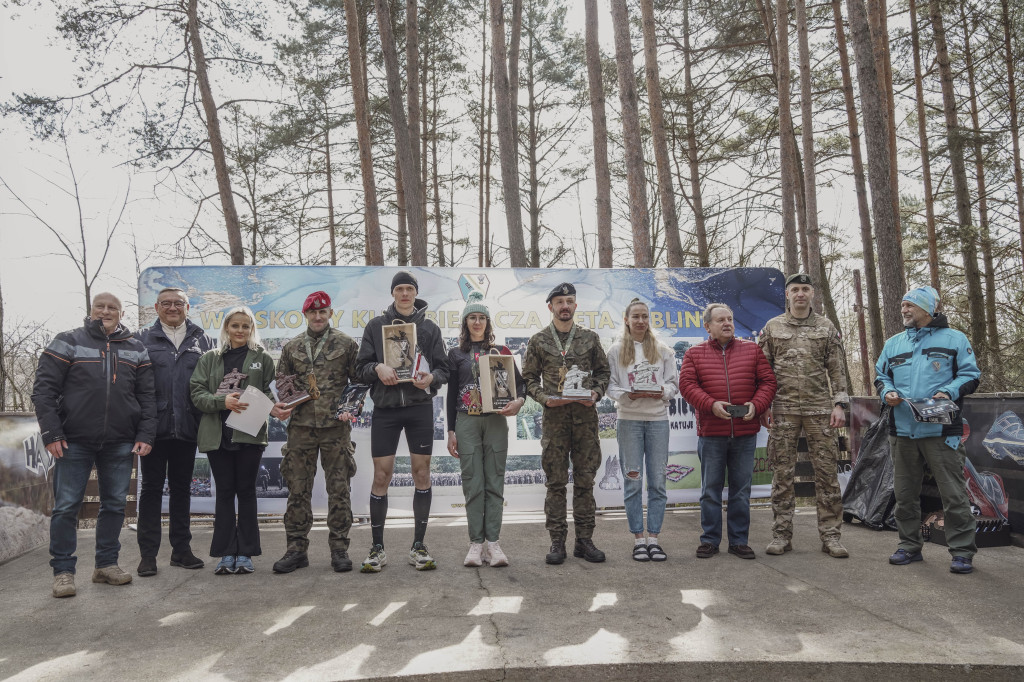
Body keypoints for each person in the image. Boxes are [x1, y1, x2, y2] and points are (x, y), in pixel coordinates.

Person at [32, 292, 157, 598]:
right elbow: (43, 390)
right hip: (72, 440)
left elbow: (147, 397)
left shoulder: (136, 348)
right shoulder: (68, 341)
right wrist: (51, 432)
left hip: (120, 440)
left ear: (121, 312)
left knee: (115, 505)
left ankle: (106, 564)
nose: (105, 311)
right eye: (100, 306)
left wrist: (145, 434)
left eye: (112, 307)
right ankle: (63, 572)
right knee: (66, 507)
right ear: (90, 311)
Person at [875, 286, 981, 574]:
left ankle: (961, 552)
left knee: (954, 494)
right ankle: (909, 546)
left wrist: (948, 391)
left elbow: (971, 375)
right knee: (905, 494)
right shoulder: (894, 343)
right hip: (903, 431)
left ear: (928, 309)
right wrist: (888, 394)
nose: (904, 310)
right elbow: (881, 376)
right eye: (902, 305)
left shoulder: (954, 339)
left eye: (910, 305)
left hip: (942, 431)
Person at [354, 272, 449, 572]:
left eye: (409, 288)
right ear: (393, 293)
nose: (405, 293)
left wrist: (432, 378)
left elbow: (444, 369)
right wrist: (378, 367)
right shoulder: (375, 326)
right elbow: (360, 368)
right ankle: (377, 548)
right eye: (399, 289)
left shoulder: (430, 328)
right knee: (381, 476)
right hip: (386, 408)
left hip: (419, 408)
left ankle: (418, 546)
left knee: (422, 474)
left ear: (415, 293)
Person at [758, 273, 851, 559]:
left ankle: (831, 537)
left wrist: (839, 404)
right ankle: (781, 535)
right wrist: (764, 404)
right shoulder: (772, 328)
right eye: (795, 289)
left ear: (812, 294)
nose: (800, 294)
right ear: (787, 295)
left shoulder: (825, 327)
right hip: (783, 408)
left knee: (826, 475)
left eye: (805, 289)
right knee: (782, 474)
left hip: (819, 409)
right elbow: (762, 370)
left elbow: (836, 369)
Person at [190, 306, 288, 575]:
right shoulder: (209, 359)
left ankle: (245, 553)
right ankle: (224, 554)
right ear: (226, 328)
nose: (241, 331)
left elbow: (272, 393)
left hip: (250, 435)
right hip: (217, 434)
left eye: (246, 326)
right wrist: (222, 401)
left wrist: (277, 408)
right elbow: (196, 393)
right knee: (224, 493)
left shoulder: (263, 358)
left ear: (252, 329)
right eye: (235, 326)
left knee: (246, 492)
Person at [678, 303, 776, 560]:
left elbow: (768, 382)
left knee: (741, 490)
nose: (727, 323)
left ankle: (739, 541)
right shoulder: (694, 354)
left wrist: (757, 405)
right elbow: (687, 385)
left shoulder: (752, 350)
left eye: (730, 319)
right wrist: (711, 404)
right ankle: (709, 540)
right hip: (711, 433)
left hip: (745, 433)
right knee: (710, 490)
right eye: (720, 320)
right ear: (707, 326)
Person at [522, 282, 611, 565]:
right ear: (550, 307)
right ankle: (557, 542)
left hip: (585, 419)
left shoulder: (589, 337)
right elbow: (528, 378)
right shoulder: (538, 340)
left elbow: (603, 371)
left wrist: (596, 393)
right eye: (559, 301)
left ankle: (584, 541)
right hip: (555, 420)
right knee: (556, 483)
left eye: (569, 301)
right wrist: (545, 399)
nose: (565, 306)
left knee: (585, 480)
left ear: (575, 306)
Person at [272, 291, 360, 574]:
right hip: (300, 427)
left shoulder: (346, 344)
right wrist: (283, 404)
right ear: (306, 315)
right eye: (313, 312)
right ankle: (296, 549)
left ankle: (339, 549)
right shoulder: (292, 347)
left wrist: (351, 408)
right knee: (297, 489)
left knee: (339, 490)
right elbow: (282, 381)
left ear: (330, 313)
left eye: (323, 312)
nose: (318, 316)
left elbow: (358, 382)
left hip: (336, 427)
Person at [135, 287, 216, 577]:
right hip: (152, 429)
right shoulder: (142, 339)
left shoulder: (201, 338)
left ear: (187, 306)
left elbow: (210, 380)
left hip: (187, 427)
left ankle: (181, 551)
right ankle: (147, 556)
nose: (172, 308)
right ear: (156, 307)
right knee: (151, 491)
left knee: (182, 490)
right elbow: (135, 385)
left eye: (178, 303)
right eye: (166, 303)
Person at [446, 293, 526, 567]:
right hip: (466, 420)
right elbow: (452, 392)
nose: (477, 322)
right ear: (466, 322)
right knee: (473, 482)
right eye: (472, 317)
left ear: (488, 322)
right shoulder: (455, 354)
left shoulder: (500, 352)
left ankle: (493, 543)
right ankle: (475, 544)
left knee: (494, 480)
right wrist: (450, 430)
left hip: (495, 420)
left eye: (481, 317)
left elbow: (520, 385)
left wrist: (519, 401)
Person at [606, 298, 679, 562]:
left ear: (649, 320)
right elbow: (611, 387)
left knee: (658, 481)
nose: (640, 321)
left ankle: (655, 538)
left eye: (644, 316)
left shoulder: (663, 350)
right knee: (633, 480)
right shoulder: (615, 351)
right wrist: (628, 396)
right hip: (629, 420)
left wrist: (662, 392)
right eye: (635, 316)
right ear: (626, 319)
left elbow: (672, 384)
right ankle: (638, 538)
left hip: (658, 421)